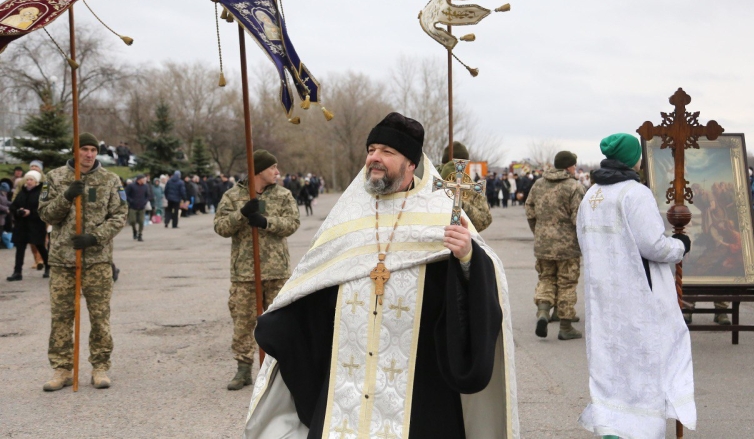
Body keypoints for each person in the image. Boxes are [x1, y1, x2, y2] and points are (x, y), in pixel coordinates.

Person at [243, 113, 517, 438]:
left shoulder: (439, 214)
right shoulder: (348, 215)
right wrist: (282, 323)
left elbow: (477, 296)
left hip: (419, 385)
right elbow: (315, 279)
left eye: (387, 151)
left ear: (411, 163)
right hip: (345, 385)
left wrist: (468, 259)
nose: (374, 157)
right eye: (371, 149)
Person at [576, 133, 696, 439]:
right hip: (637, 296)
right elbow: (653, 246)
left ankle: (609, 425)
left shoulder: (590, 196)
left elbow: (583, 242)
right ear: (632, 159)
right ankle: (639, 430)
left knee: (608, 362)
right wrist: (680, 245)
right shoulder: (635, 193)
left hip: (601, 296)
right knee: (643, 360)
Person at [38, 133, 128, 391]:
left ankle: (100, 366)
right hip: (62, 260)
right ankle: (62, 369)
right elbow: (45, 213)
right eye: (84, 149)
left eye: (93, 150)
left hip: (97, 260)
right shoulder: (55, 177)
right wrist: (66, 196)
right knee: (61, 317)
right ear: (74, 150)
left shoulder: (110, 180)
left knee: (100, 316)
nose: (89, 154)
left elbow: (120, 215)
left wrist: (94, 237)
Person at [213, 150, 300, 391]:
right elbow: (220, 226)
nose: (277, 172)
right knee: (243, 321)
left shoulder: (283, 195)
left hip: (276, 270)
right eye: (273, 167)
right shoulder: (232, 196)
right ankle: (243, 369)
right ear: (259, 170)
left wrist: (265, 222)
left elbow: (292, 223)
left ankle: (282, 370)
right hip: (245, 272)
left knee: (281, 322)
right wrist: (241, 215)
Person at [525, 150, 585, 340]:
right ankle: (565, 327)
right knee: (567, 283)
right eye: (574, 165)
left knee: (546, 278)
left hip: (543, 244)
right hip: (567, 246)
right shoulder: (574, 187)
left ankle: (544, 312)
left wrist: (539, 232)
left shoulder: (538, 184)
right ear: (569, 166)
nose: (575, 168)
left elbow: (529, 210)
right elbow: (579, 219)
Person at [438, 141, 493, 232]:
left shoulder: (472, 188)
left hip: (463, 239)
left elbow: (485, 220)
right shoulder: (429, 179)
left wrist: (460, 204)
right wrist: (443, 181)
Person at [7, 171, 50, 280]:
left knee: (40, 246)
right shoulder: (22, 192)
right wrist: (18, 211)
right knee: (20, 248)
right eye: (27, 179)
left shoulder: (43, 191)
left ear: (36, 181)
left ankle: (48, 267)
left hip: (36, 224)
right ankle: (17, 272)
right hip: (22, 225)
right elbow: (13, 206)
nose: (29, 182)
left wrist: (31, 212)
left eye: (31, 180)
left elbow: (44, 208)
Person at [125, 174, 151, 242]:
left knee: (141, 221)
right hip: (133, 206)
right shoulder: (131, 186)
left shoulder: (145, 186)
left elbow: (147, 195)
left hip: (142, 207)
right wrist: (131, 201)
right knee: (132, 221)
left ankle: (140, 234)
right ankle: (134, 231)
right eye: (143, 179)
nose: (144, 180)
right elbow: (126, 194)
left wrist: (145, 202)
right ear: (139, 180)